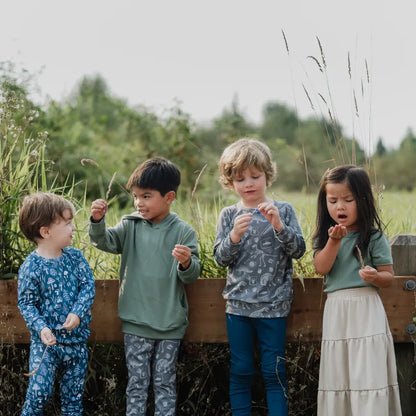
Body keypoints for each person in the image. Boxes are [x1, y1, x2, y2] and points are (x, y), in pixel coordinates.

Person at [89, 157, 200, 416]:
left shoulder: (184, 232)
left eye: (146, 196)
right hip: (135, 321)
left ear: (169, 197)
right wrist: (97, 221)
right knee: (137, 384)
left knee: (164, 383)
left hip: (170, 323)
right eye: (136, 196)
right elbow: (105, 242)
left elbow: (192, 275)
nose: (139, 202)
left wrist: (185, 263)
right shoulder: (130, 225)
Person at [213, 138, 306, 416]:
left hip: (273, 307)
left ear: (268, 175)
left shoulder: (284, 210)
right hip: (238, 307)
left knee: (273, 371)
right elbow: (220, 258)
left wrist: (278, 225)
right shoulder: (229, 214)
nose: (249, 184)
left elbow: (299, 250)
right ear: (230, 183)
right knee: (241, 370)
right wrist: (234, 236)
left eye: (255, 176)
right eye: (240, 179)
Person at [313, 164, 402, 416]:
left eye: (347, 199)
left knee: (367, 369)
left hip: (366, 311)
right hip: (337, 311)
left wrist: (375, 276)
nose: (339, 206)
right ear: (325, 203)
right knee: (339, 372)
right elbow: (321, 267)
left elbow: (388, 277)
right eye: (332, 200)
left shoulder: (373, 237)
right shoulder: (326, 236)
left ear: (362, 200)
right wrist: (334, 240)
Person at [17, 192, 95, 415]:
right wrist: (41, 328)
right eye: (68, 223)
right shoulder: (31, 267)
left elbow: (88, 286)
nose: (73, 228)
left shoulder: (75, 258)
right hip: (46, 346)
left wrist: (78, 313)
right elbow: (27, 304)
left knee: (73, 400)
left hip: (76, 344)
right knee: (38, 394)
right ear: (46, 231)